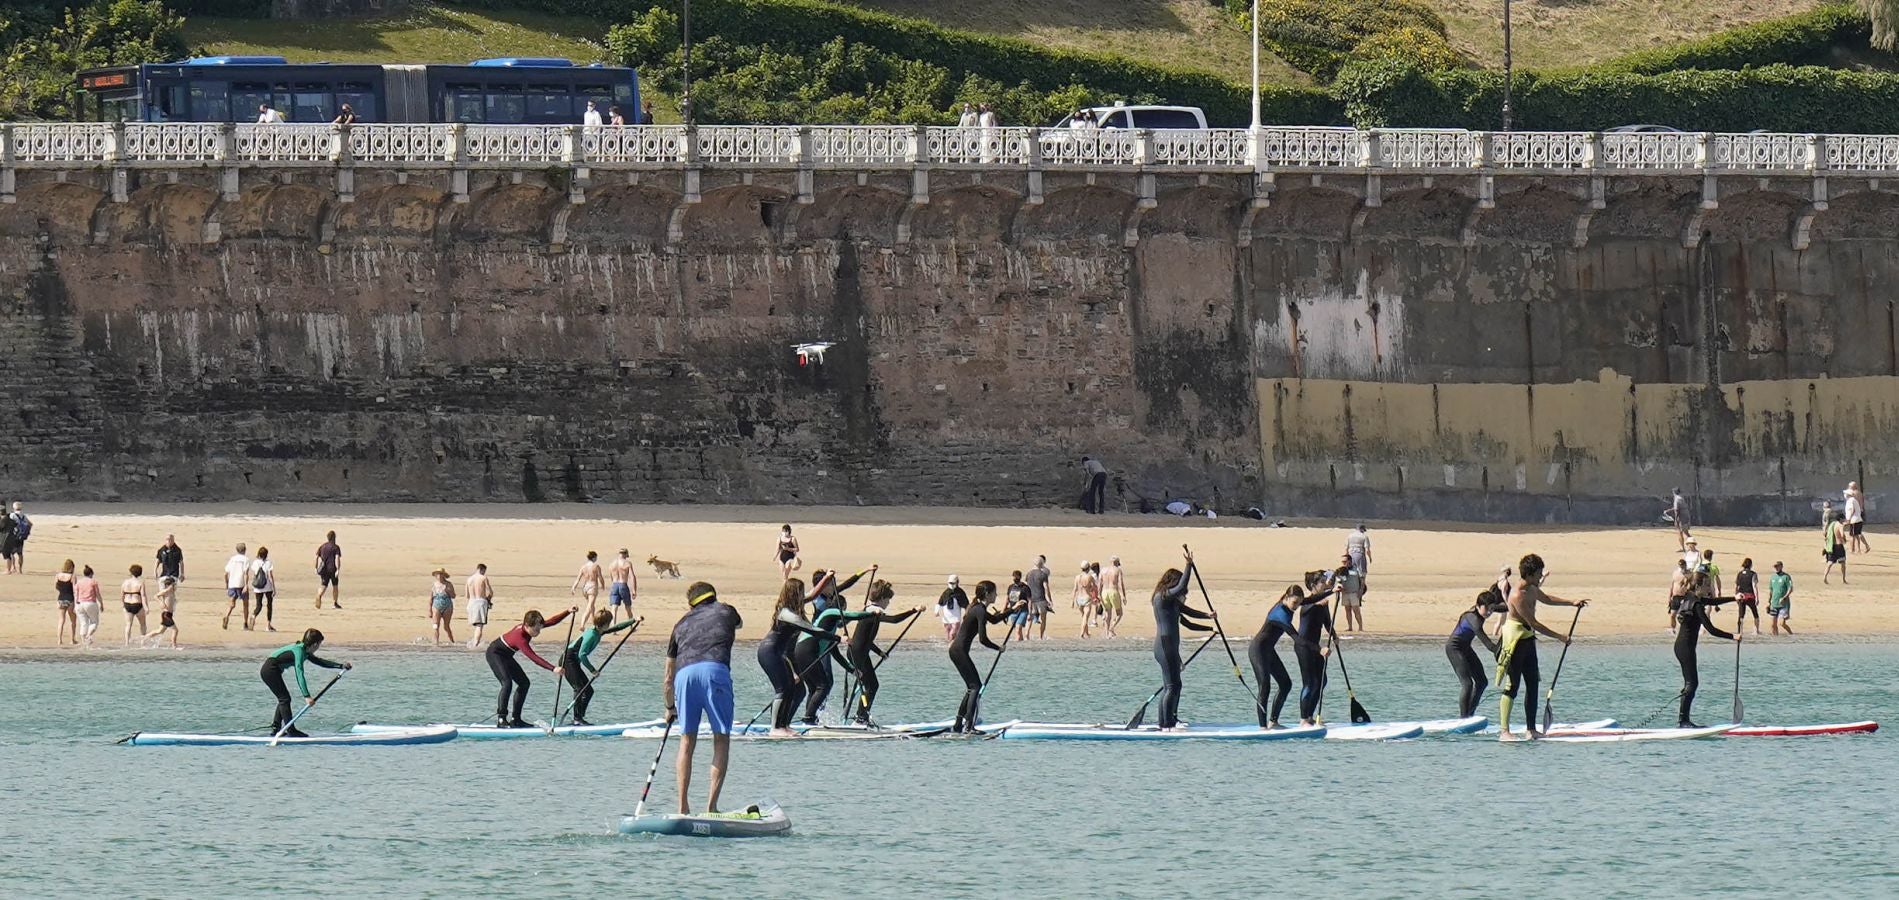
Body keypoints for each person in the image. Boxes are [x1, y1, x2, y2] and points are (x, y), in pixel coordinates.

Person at [663, 581, 743, 814]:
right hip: (714, 671)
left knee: (687, 742)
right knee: (721, 738)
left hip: (684, 677)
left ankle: (682, 808)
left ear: (690, 604)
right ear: (714, 596)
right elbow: (738, 624)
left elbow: (668, 676)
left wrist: (669, 707)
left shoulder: (680, 624)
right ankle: (711, 806)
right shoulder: (727, 610)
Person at [1496, 554, 1588, 741]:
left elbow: (1546, 599)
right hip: (1515, 641)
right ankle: (1504, 731)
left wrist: (1572, 602)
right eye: (1538, 574)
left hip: (1528, 640)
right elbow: (1534, 623)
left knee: (1533, 684)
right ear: (1529, 574)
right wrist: (1560, 637)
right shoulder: (1517, 595)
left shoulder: (1532, 588)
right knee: (1512, 686)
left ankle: (1531, 729)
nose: (1540, 577)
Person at [1151, 551, 1216, 732]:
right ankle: (1166, 725)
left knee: (1171, 686)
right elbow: (1181, 587)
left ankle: (1168, 721)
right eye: (1177, 585)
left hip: (1169, 647)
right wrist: (1189, 565)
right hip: (1164, 646)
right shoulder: (1162, 597)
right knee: (1173, 686)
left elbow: (1188, 614)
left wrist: (1208, 617)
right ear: (1171, 582)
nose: (1182, 592)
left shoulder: (1172, 602)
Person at [840, 580, 921, 724]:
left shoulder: (870, 610)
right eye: (888, 600)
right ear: (882, 599)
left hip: (860, 652)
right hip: (857, 654)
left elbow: (866, 639)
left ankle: (861, 717)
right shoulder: (873, 612)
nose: (888, 603)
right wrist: (914, 610)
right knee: (871, 686)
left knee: (871, 685)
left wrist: (880, 653)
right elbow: (894, 620)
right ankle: (860, 719)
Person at [1251, 584, 1329, 728]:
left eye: (1299, 603)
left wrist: (1332, 591)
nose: (1296, 606)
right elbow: (1297, 639)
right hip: (1258, 650)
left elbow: (1311, 599)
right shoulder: (1280, 614)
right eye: (1294, 603)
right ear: (1286, 598)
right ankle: (1262, 727)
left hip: (1269, 651)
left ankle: (1273, 722)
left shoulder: (1291, 604)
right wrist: (1318, 649)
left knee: (1286, 684)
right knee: (1265, 687)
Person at [791, 570, 862, 725]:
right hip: (814, 643)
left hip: (825, 641)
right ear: (822, 585)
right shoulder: (817, 600)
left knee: (822, 684)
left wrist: (865, 571)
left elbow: (846, 585)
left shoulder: (831, 598)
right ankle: (811, 715)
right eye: (830, 583)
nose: (833, 587)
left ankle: (813, 714)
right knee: (823, 683)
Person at [761, 576, 831, 736]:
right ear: (794, 593)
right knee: (783, 689)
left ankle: (784, 725)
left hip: (780, 653)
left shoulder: (795, 606)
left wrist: (827, 577)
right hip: (770, 652)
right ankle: (775, 728)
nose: (803, 595)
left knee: (796, 690)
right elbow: (811, 629)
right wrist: (837, 638)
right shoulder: (786, 613)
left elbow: (813, 595)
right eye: (801, 591)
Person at [949, 580, 1018, 733]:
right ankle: (969, 726)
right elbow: (983, 639)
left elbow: (994, 620)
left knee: (971, 687)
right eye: (994, 592)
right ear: (987, 594)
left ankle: (959, 724)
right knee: (975, 687)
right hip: (958, 651)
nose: (997, 595)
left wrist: (1013, 610)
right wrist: (998, 648)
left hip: (956, 651)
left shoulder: (978, 608)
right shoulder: (979, 610)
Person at [486, 607, 572, 728]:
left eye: (539, 629)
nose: (538, 632)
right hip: (494, 654)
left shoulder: (530, 626)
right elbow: (534, 658)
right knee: (507, 683)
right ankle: (501, 719)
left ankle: (516, 719)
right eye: (536, 630)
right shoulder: (520, 638)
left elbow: (551, 621)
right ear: (527, 625)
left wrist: (568, 611)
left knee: (524, 683)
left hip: (506, 656)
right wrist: (553, 668)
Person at [1673, 572, 1739, 728]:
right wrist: (1733, 636)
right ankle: (1683, 721)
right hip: (1685, 648)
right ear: (1698, 586)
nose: (1710, 588)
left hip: (1682, 647)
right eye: (1707, 585)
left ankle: (1684, 720)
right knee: (1692, 684)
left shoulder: (1691, 597)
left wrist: (1734, 598)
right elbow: (1711, 630)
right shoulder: (1696, 605)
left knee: (1690, 683)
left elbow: (1712, 600)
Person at [261, 628, 350, 738]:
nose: (318, 647)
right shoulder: (298, 652)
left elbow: (320, 662)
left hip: (272, 671)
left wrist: (341, 666)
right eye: (319, 644)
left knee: (284, 698)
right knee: (285, 699)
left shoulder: (305, 651)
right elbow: (299, 673)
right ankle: (291, 730)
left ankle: (276, 729)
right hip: (269, 670)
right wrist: (307, 696)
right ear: (315, 644)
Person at [562, 610, 640, 725]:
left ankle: (579, 718)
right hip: (567, 661)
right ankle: (577, 719)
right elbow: (582, 655)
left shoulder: (598, 630)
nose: (610, 624)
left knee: (588, 691)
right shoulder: (591, 635)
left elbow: (616, 628)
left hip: (574, 661)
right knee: (579, 688)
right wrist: (592, 670)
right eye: (609, 622)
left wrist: (633, 620)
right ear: (604, 624)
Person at [1446, 589, 1502, 718]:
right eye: (1486, 609)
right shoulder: (1473, 618)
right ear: (1477, 606)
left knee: (1482, 682)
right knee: (1468, 684)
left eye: (1492, 609)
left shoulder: (1484, 609)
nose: (1489, 612)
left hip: (1465, 648)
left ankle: (1470, 714)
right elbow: (1488, 645)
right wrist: (1501, 652)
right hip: (1454, 648)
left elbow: (1503, 607)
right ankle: (1464, 718)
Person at [1293, 573, 1334, 726]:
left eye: (1325, 581)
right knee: (1309, 683)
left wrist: (1334, 636)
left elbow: (1327, 622)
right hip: (1303, 646)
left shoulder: (1324, 603)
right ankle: (1303, 719)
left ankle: (1310, 715)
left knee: (1322, 681)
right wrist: (1317, 605)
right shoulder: (1307, 603)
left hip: (1317, 648)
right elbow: (1305, 608)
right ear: (1313, 586)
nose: (1325, 584)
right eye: (1322, 582)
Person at [143, 575, 180, 648]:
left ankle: (144, 638)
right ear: (167, 585)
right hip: (166, 614)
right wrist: (161, 602)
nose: (174, 586)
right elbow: (155, 596)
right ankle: (174, 646)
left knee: (160, 631)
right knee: (175, 630)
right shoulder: (166, 591)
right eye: (172, 585)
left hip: (169, 614)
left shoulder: (172, 591)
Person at [222, 543, 251, 630]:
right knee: (245, 604)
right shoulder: (246, 559)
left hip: (232, 583)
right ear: (245, 550)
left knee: (231, 604)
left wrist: (227, 584)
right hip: (241, 584)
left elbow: (226, 573)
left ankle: (226, 616)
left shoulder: (232, 559)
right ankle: (245, 623)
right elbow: (246, 573)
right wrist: (246, 585)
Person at [466, 563, 495, 650]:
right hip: (480, 602)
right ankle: (475, 644)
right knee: (479, 625)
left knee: (476, 624)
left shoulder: (469, 579)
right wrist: (488, 599)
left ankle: (474, 641)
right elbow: (490, 592)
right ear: (482, 570)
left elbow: (467, 595)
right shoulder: (483, 578)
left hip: (471, 602)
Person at [249, 546, 278, 632]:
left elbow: (255, 573)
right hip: (267, 586)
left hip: (258, 587)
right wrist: (274, 587)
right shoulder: (268, 563)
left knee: (259, 605)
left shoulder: (255, 562)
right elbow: (270, 576)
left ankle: (253, 615)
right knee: (269, 605)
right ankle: (268, 625)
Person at [1335, 554, 1365, 633]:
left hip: (1354, 593)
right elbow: (1338, 581)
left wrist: (1361, 591)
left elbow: (1362, 581)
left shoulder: (1356, 569)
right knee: (1347, 610)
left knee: (1356, 610)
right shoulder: (1341, 570)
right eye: (1342, 561)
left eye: (1345, 561)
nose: (1343, 563)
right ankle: (1350, 627)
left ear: (1350, 561)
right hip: (1345, 593)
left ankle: (1360, 627)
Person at [73, 565, 102, 648]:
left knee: (83, 623)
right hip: (90, 603)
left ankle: (83, 641)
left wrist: (75, 605)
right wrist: (101, 603)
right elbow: (97, 594)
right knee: (94, 622)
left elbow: (76, 594)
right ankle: (88, 636)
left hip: (79, 604)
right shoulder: (93, 582)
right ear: (91, 573)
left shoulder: (79, 582)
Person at [121, 563, 149, 648]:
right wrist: (146, 607)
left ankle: (127, 643)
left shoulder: (125, 582)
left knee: (128, 624)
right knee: (143, 624)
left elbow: (122, 594)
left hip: (127, 604)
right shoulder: (140, 583)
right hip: (138, 604)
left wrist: (123, 604)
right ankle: (142, 643)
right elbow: (143, 595)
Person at [572, 551, 606, 619]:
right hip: (592, 587)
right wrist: (603, 585)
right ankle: (582, 624)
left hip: (585, 588)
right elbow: (600, 577)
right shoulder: (596, 566)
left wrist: (573, 587)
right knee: (589, 607)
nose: (596, 558)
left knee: (592, 606)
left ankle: (593, 621)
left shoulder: (583, 567)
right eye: (596, 557)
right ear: (593, 558)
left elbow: (578, 579)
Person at [608, 549, 639, 623]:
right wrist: (634, 590)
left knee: (614, 607)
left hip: (614, 585)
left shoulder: (612, 564)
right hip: (623, 584)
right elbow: (632, 576)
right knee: (628, 607)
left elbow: (611, 577)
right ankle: (631, 625)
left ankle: (613, 627)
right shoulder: (627, 563)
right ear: (625, 554)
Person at [1024, 555, 1051, 640]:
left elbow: (1027, 584)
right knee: (1043, 619)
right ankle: (1041, 636)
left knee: (1030, 618)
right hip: (1041, 599)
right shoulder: (1043, 574)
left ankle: (1026, 635)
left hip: (1031, 599)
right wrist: (1049, 600)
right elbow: (1046, 588)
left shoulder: (1029, 573)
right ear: (1042, 564)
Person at [1733, 558, 1761, 635]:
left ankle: (1740, 631)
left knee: (1741, 615)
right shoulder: (1753, 574)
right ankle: (1756, 630)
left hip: (1741, 596)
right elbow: (1754, 586)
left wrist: (1735, 595)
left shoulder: (1739, 574)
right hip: (1750, 596)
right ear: (1751, 565)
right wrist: (1757, 598)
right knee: (1755, 613)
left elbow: (1736, 586)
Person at [314, 530, 342, 609]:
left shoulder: (322, 546)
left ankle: (319, 595)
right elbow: (337, 558)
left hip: (324, 570)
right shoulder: (336, 547)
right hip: (332, 569)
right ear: (334, 538)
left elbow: (316, 557)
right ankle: (335, 603)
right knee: (335, 586)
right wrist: (338, 569)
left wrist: (315, 568)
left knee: (324, 585)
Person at [429, 568, 457, 646]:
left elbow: (454, 596)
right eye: (437, 574)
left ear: (444, 575)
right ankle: (436, 643)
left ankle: (452, 642)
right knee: (435, 626)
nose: (439, 576)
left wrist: (449, 591)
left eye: (441, 574)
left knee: (446, 626)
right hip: (436, 605)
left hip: (447, 606)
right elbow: (431, 597)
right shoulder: (434, 584)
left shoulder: (448, 584)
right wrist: (429, 610)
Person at [1099, 557, 1126, 638]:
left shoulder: (1103, 570)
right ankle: (1112, 628)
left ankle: (1107, 633)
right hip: (1113, 591)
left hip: (1104, 592)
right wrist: (1123, 595)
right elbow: (1120, 584)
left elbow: (1099, 582)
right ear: (1117, 562)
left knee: (1108, 613)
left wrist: (1099, 594)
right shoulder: (1117, 570)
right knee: (1119, 613)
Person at [937, 574, 969, 640]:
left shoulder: (960, 592)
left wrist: (967, 613)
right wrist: (936, 611)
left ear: (957, 582)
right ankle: (950, 645)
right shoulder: (946, 592)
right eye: (950, 583)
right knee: (947, 632)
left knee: (953, 633)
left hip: (955, 617)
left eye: (953, 583)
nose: (951, 584)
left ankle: (952, 644)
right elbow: (940, 602)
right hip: (946, 617)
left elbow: (966, 604)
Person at [1767, 561, 1794, 635]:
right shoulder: (1773, 577)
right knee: (1773, 625)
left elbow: (1790, 588)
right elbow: (1771, 590)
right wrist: (1769, 602)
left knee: (1782, 623)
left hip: (1783, 604)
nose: (1776, 568)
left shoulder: (1786, 576)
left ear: (1781, 566)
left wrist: (1784, 597)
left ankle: (1791, 635)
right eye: (1775, 566)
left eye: (1777, 566)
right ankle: (1776, 640)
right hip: (1774, 603)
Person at [1666, 558, 1692, 634]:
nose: (1682, 567)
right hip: (1675, 596)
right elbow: (1672, 585)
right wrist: (1669, 597)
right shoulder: (1675, 573)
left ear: (1685, 565)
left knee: (1683, 615)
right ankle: (1673, 629)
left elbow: (1691, 585)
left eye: (1683, 565)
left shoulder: (1689, 574)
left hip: (1684, 597)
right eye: (1680, 565)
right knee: (1672, 615)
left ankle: (1684, 630)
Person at [1845, 481, 1871, 555]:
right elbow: (1862, 504)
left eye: (1849, 486)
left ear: (1852, 487)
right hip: (1860, 513)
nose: (1848, 487)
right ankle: (1864, 546)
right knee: (1858, 533)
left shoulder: (1853, 495)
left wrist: (1849, 518)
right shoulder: (1860, 493)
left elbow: (1852, 507)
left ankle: (1854, 549)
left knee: (1854, 534)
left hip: (1855, 515)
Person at [55, 559, 77, 646]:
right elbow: (75, 589)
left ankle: (59, 640)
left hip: (60, 598)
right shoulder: (72, 576)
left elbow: (56, 587)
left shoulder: (57, 575)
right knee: (73, 620)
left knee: (61, 620)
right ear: (71, 567)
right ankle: (72, 639)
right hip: (70, 598)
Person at [1823, 511, 1849, 584]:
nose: (1844, 520)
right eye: (1843, 519)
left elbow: (1826, 534)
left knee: (1830, 563)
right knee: (1843, 563)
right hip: (1839, 546)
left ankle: (1825, 577)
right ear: (1840, 519)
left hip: (1832, 546)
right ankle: (1843, 579)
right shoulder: (1840, 525)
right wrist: (1844, 539)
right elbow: (1842, 534)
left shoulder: (1832, 524)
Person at [1073, 561, 1097, 637]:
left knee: (1084, 617)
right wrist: (1095, 596)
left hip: (1079, 599)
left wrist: (1072, 601)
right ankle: (1082, 634)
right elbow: (1095, 587)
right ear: (1088, 568)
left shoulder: (1077, 577)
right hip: (1087, 598)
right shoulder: (1089, 577)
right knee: (1085, 617)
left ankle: (1086, 633)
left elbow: (1075, 589)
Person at [7, 501, 30, 573]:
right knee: (20, 553)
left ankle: (11, 569)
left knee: (11, 553)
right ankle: (20, 569)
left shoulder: (12, 515)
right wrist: (27, 532)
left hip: (13, 537)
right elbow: (30, 524)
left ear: (14, 508)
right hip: (21, 537)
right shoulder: (23, 516)